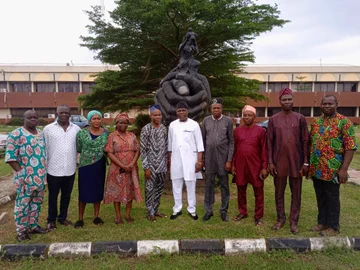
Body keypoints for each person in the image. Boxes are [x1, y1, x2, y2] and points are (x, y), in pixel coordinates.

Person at [308, 95, 357, 236]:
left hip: (334, 169)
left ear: (337, 104)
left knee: (332, 197)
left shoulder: (344, 123)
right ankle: (322, 222)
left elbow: (350, 147)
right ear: (320, 105)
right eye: (324, 103)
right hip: (317, 168)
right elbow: (311, 144)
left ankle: (334, 226)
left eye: (330, 103)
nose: (327, 106)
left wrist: (344, 169)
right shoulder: (316, 122)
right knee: (320, 196)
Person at [267, 88, 309, 234]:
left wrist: (305, 162)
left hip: (296, 162)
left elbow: (305, 141)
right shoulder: (273, 119)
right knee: (279, 192)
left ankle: (293, 221)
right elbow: (269, 142)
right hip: (279, 162)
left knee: (296, 193)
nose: (287, 102)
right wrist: (270, 162)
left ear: (293, 100)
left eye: (289, 99)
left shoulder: (300, 118)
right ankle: (281, 219)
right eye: (284, 99)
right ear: (279, 101)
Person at [5, 110, 48, 241]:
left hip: (40, 177)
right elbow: (11, 157)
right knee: (22, 204)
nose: (33, 119)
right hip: (25, 178)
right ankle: (21, 231)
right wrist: (21, 173)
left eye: (35, 117)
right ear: (24, 119)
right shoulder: (16, 134)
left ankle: (33, 226)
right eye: (29, 117)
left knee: (36, 202)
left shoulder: (41, 133)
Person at [43, 105, 80, 231]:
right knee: (53, 196)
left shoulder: (76, 129)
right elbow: (44, 148)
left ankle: (62, 217)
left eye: (67, 112)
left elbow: (78, 147)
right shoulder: (48, 129)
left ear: (70, 114)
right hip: (53, 169)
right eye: (61, 112)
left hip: (70, 168)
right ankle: (51, 220)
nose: (64, 114)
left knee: (66, 195)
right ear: (56, 113)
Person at [232, 105, 268, 226]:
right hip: (241, 165)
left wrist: (264, 167)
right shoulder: (237, 131)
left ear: (254, 117)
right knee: (241, 189)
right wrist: (233, 165)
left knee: (258, 191)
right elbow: (235, 149)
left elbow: (264, 150)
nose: (247, 117)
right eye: (245, 115)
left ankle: (258, 216)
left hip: (255, 166)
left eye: (249, 115)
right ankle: (243, 212)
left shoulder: (261, 131)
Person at [104, 112, 142, 224]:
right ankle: (118, 216)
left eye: (125, 123)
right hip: (117, 168)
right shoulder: (112, 136)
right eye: (120, 122)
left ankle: (128, 214)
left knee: (130, 190)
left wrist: (132, 164)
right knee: (117, 191)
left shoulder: (132, 136)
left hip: (131, 168)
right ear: (116, 123)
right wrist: (123, 166)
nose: (123, 124)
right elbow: (109, 153)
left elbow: (137, 150)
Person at [168, 101, 204, 220]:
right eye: (179, 111)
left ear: (187, 111)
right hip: (176, 160)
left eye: (183, 110)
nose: (181, 112)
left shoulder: (194, 125)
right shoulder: (172, 125)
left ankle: (191, 209)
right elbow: (170, 146)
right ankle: (177, 209)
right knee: (176, 185)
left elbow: (200, 145)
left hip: (190, 160)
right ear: (176, 112)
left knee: (190, 185)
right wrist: (169, 161)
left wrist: (199, 162)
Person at [74, 110, 109, 228]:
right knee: (83, 190)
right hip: (85, 165)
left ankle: (96, 216)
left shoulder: (106, 134)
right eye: (94, 119)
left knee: (97, 189)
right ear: (89, 120)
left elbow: (108, 148)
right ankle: (80, 218)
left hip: (99, 165)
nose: (97, 121)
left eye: (99, 118)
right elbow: (78, 147)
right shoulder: (82, 133)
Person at [201, 98, 234, 222]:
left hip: (223, 159)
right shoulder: (205, 121)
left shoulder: (228, 121)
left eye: (218, 107)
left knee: (224, 185)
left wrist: (229, 160)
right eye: (214, 108)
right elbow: (202, 141)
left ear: (222, 108)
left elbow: (231, 141)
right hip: (209, 158)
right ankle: (208, 210)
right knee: (209, 184)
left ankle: (223, 210)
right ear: (211, 109)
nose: (216, 110)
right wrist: (202, 158)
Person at [140, 104, 168, 222]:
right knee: (150, 188)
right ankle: (150, 211)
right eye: (155, 115)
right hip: (150, 166)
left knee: (159, 188)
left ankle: (156, 210)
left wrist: (166, 163)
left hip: (162, 165)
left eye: (159, 115)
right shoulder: (146, 129)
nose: (157, 117)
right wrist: (146, 167)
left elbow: (166, 147)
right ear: (150, 116)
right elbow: (143, 149)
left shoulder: (163, 128)